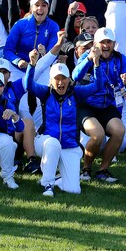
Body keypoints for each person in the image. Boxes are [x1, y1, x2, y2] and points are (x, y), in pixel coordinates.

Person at [25, 59, 95, 196]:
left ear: (69, 80)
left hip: (69, 145)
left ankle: (57, 180)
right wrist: (32, 65)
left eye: (63, 78)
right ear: (51, 80)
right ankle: (48, 185)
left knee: (73, 190)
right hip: (45, 141)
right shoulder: (45, 92)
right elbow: (28, 85)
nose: (60, 82)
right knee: (53, 144)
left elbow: (97, 86)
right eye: (57, 79)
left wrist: (96, 63)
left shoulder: (76, 93)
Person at [72, 27, 126, 182]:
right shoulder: (87, 55)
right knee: (97, 134)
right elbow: (75, 75)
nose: (106, 46)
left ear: (114, 43)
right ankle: (86, 169)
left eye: (109, 42)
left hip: (107, 105)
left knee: (119, 131)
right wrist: (89, 59)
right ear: (95, 44)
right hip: (87, 104)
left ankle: (103, 170)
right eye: (102, 42)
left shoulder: (121, 59)